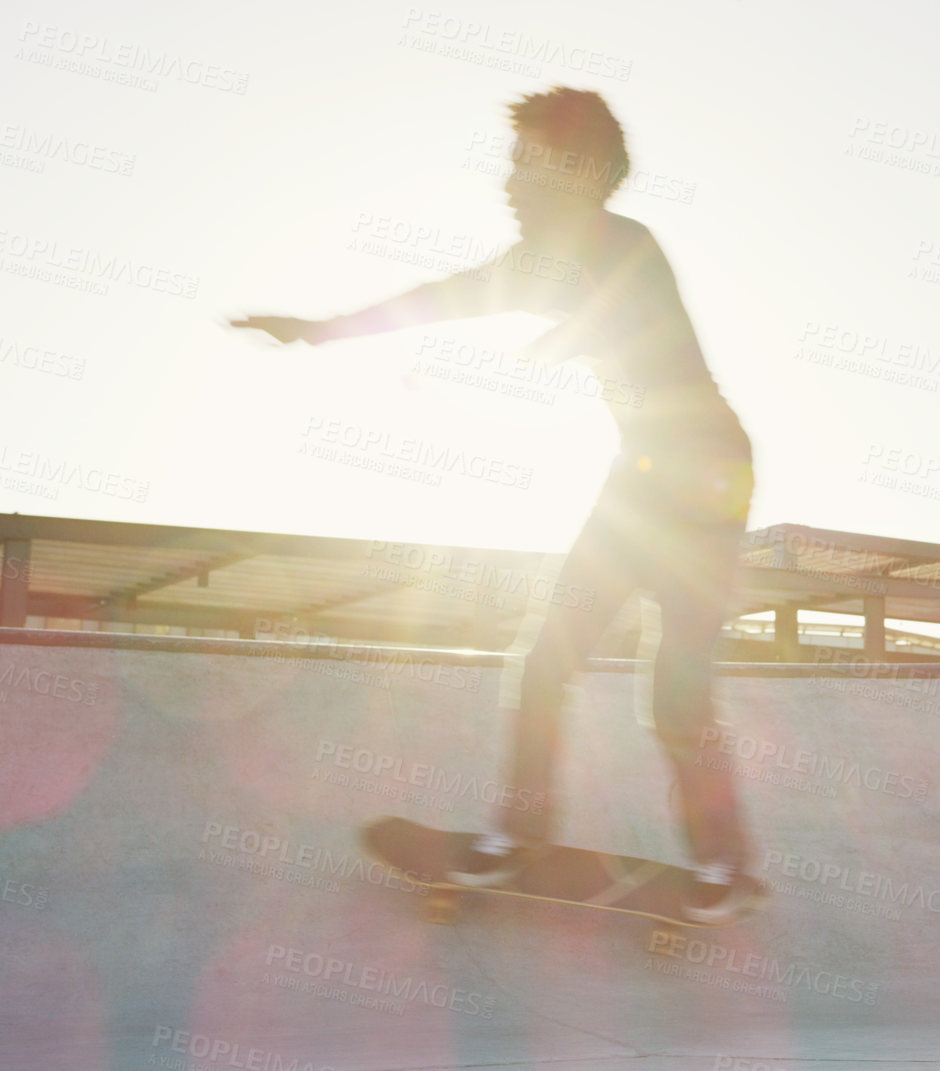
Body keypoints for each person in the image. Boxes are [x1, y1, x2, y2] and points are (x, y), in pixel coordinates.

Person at [233, 87, 761, 921]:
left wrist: (566, 338)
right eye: (511, 165)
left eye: (527, 166)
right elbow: (434, 299)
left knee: (675, 693)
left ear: (581, 175)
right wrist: (318, 330)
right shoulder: (528, 266)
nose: (508, 184)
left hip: (705, 475)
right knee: (544, 657)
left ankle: (724, 862)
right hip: (640, 477)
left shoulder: (627, 245)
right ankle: (518, 833)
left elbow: (625, 309)